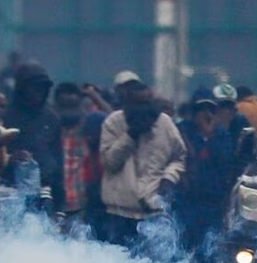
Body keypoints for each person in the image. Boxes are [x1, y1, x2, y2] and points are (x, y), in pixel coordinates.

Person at [99, 82, 187, 249]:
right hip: (119, 213)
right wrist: (131, 135)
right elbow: (110, 163)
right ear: (127, 103)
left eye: (147, 102)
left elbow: (179, 157)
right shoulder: (113, 123)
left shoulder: (165, 123)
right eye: (138, 103)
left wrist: (169, 178)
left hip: (154, 210)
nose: (144, 108)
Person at [176, 89, 238, 253]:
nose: (206, 114)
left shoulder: (222, 134)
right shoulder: (182, 131)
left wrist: (209, 135)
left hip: (214, 201)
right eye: (201, 110)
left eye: (210, 110)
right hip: (187, 199)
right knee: (185, 244)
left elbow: (224, 159)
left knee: (210, 245)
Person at [4, 62, 63, 210]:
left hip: (44, 190)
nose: (39, 92)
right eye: (35, 87)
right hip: (9, 190)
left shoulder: (51, 118)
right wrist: (10, 159)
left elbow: (58, 160)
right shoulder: (5, 116)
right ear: (22, 88)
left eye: (43, 88)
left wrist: (60, 206)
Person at [54, 83, 107, 235]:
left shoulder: (89, 125)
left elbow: (118, 122)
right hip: (56, 198)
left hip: (83, 198)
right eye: (65, 105)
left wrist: (93, 96)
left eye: (72, 103)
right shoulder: (50, 125)